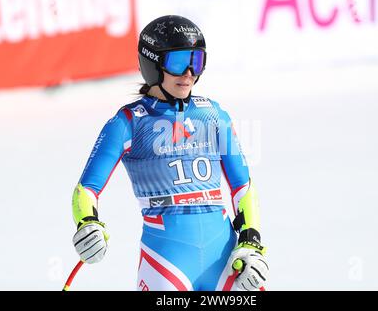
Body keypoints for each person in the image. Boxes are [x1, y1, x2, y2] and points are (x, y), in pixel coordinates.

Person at [71, 15, 269, 291]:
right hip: (165, 264)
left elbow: (243, 187)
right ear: (153, 64)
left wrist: (251, 240)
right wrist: (88, 224)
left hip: (226, 260)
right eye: (178, 63)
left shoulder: (213, 115)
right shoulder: (128, 123)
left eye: (196, 61)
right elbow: (86, 190)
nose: (189, 73)